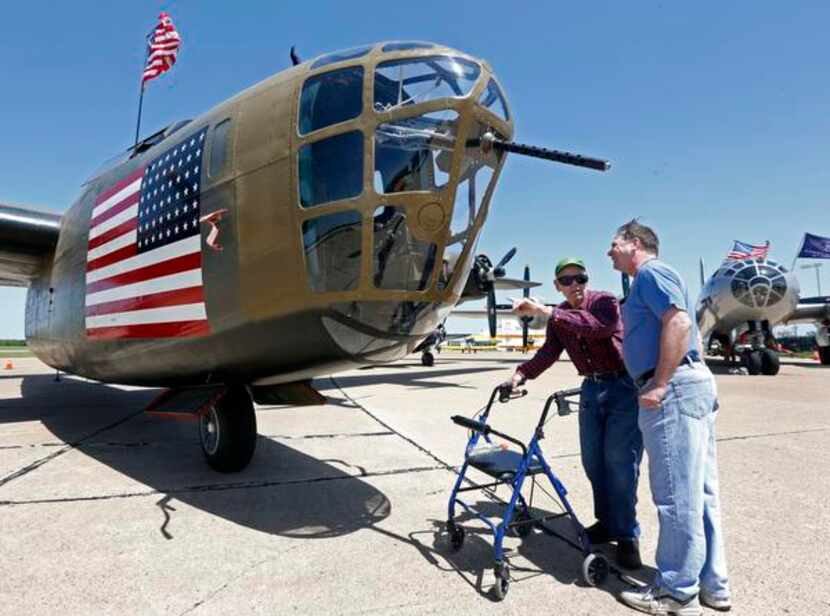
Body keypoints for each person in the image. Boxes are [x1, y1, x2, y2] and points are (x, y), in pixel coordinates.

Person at [608, 220, 731, 615]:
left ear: (635, 243)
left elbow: (678, 321)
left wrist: (659, 383)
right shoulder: (648, 279)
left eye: (613, 245)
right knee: (700, 493)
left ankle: (676, 592)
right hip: (686, 383)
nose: (609, 253)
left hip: (673, 388)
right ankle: (713, 585)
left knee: (676, 495)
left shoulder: (651, 273)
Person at [504, 257, 643, 570]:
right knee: (593, 462)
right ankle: (607, 523)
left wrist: (548, 311)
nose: (575, 285)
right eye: (566, 281)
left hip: (623, 387)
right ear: (557, 285)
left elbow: (599, 328)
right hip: (592, 390)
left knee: (621, 463)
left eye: (580, 278)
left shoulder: (604, 301)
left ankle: (627, 536)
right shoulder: (559, 317)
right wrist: (520, 374)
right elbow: (549, 353)